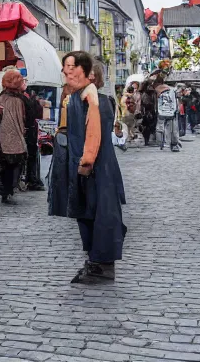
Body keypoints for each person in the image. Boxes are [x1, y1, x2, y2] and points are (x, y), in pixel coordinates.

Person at [49, 54, 126, 283]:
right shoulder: (79, 99)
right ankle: (96, 261)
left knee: (99, 214)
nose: (68, 73)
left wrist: (85, 164)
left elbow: (93, 138)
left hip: (95, 169)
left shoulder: (97, 102)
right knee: (87, 214)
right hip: (84, 168)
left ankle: (101, 264)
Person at [0, 70, 28, 204]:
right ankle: (9, 190)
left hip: (3, 135)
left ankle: (5, 191)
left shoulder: (2, 97)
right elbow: (22, 119)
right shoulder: (18, 99)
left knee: (5, 166)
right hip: (15, 136)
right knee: (14, 165)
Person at [155, 76, 179, 151]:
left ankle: (161, 143)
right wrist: (174, 110)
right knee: (172, 129)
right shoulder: (172, 90)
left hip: (161, 111)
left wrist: (158, 111)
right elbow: (174, 102)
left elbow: (156, 103)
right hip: (170, 112)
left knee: (160, 128)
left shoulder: (156, 90)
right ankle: (173, 144)